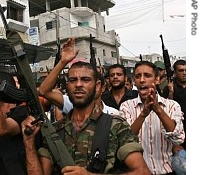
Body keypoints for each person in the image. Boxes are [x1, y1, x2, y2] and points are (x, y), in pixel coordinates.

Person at [21, 37, 151, 175]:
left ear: (98, 86)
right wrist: (29, 143)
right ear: (67, 86)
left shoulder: (116, 126)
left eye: (85, 80)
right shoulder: (56, 130)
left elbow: (142, 171)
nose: (78, 84)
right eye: (73, 80)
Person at [119, 61, 185, 175]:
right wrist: (143, 114)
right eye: (138, 76)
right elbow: (125, 140)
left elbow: (178, 138)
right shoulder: (126, 106)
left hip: (167, 171)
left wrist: (158, 109)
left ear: (157, 80)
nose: (142, 80)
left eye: (147, 76)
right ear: (134, 81)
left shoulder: (172, 106)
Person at [162, 59, 186, 149]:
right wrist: (171, 92)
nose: (184, 73)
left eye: (186, 70)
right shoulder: (168, 88)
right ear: (175, 73)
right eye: (181, 70)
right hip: (177, 128)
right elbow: (166, 108)